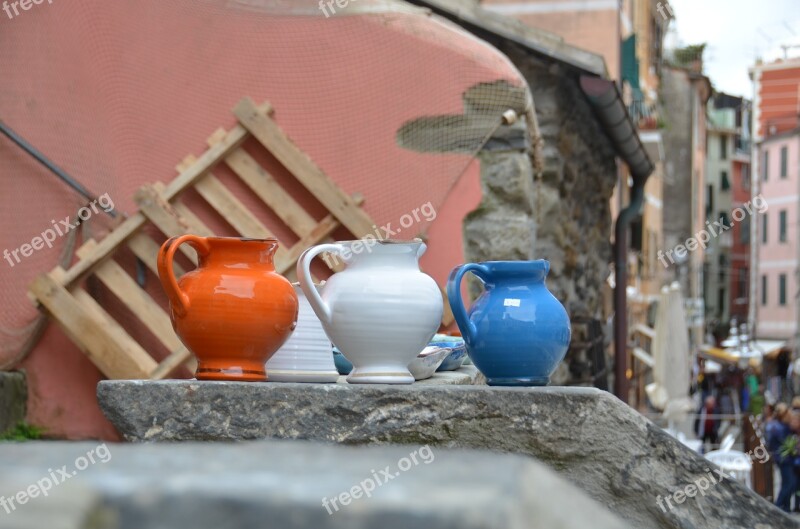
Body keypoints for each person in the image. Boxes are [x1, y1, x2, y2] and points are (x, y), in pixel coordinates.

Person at [768, 404, 794, 512]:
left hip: (781, 458)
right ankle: (778, 506)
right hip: (784, 458)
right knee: (789, 483)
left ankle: (786, 507)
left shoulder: (776, 425)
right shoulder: (781, 427)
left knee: (786, 482)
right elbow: (786, 443)